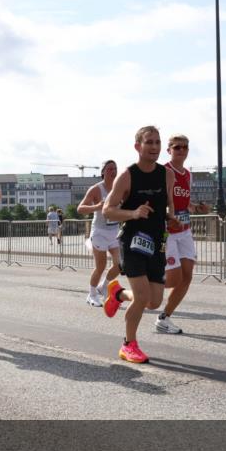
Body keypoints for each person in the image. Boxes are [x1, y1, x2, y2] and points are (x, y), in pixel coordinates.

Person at [101, 125, 177, 363]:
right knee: (143, 296)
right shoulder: (127, 175)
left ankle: (119, 293)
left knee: (154, 301)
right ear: (138, 147)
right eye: (149, 142)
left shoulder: (167, 174)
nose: (154, 147)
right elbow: (108, 211)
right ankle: (128, 344)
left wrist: (171, 217)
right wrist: (133, 213)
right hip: (132, 241)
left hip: (157, 242)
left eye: (157, 142)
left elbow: (169, 203)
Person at [157, 134, 211, 334]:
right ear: (169, 150)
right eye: (177, 147)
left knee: (187, 277)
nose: (181, 150)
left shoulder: (188, 174)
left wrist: (197, 207)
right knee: (172, 279)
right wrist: (167, 217)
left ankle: (164, 318)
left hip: (185, 230)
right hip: (167, 232)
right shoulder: (163, 171)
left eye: (185, 147)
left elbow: (184, 202)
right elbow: (157, 201)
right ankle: (145, 286)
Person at [77, 160, 121, 307]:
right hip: (100, 232)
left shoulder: (120, 188)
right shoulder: (96, 189)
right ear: (103, 172)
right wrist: (96, 206)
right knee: (100, 266)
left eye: (115, 168)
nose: (113, 171)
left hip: (115, 231)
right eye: (109, 169)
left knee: (120, 264)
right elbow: (80, 208)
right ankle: (92, 294)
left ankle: (103, 287)